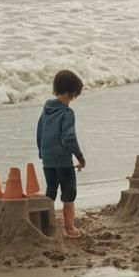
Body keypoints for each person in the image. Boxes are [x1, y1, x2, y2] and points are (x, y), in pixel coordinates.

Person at [37, 69, 86, 237]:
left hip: (48, 160)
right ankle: (69, 227)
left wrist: (42, 153)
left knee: (50, 191)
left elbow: (39, 132)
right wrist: (80, 157)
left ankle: (46, 225)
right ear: (72, 92)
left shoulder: (46, 110)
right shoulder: (67, 113)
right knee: (69, 193)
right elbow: (69, 138)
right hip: (63, 161)